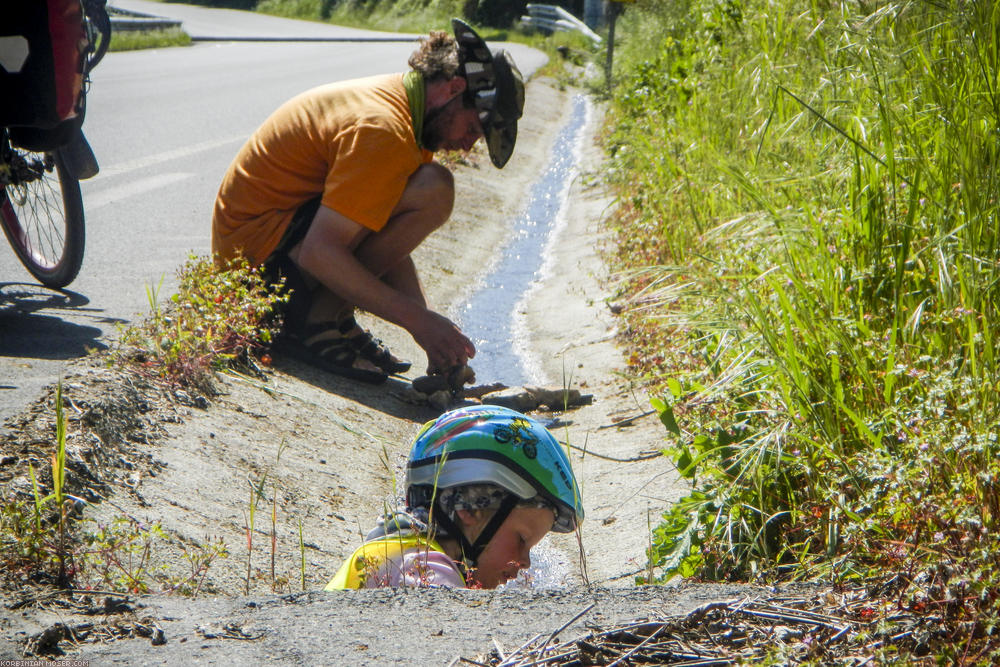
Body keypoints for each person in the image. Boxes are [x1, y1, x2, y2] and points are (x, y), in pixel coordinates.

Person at [211, 20, 524, 384]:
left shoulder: (408, 112)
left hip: (273, 252)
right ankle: (314, 323)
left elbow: (377, 226)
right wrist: (418, 321)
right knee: (435, 188)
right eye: (473, 129)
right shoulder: (385, 129)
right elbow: (320, 252)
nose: (469, 145)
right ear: (453, 89)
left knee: (431, 186)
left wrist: (432, 334)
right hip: (259, 279)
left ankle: (333, 316)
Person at [324, 405, 584, 589]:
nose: (525, 562)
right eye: (522, 539)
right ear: (469, 509)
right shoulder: (425, 573)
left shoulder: (403, 552)